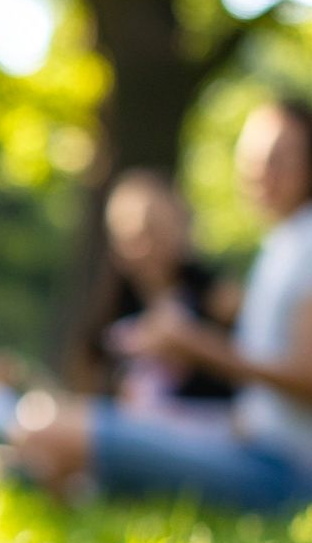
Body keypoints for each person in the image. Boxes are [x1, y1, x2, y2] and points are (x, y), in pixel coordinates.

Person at [13, 99, 312, 509]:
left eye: (278, 157)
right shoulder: (285, 243)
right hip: (249, 443)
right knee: (41, 432)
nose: (261, 171)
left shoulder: (306, 245)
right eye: (251, 158)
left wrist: (194, 346)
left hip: (283, 470)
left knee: (44, 428)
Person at [70, 168, 238, 424]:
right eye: (132, 236)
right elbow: (87, 385)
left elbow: (248, 372)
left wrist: (190, 344)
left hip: (205, 426)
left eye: (156, 230)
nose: (147, 247)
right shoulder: (112, 311)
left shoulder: (218, 297)